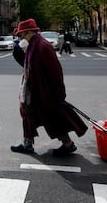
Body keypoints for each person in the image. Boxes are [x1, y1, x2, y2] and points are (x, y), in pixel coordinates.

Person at [11, 19, 88, 157]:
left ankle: (68, 145)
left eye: (21, 35)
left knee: (53, 119)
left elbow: (56, 72)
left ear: (28, 33)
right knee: (28, 114)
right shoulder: (32, 46)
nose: (20, 38)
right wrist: (18, 54)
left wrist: (59, 93)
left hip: (45, 92)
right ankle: (28, 144)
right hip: (33, 91)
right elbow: (28, 66)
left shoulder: (42, 46)